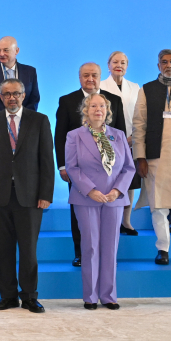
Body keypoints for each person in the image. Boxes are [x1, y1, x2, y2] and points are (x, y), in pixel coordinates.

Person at [0, 78, 55, 314]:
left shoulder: (39, 120)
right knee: (3, 250)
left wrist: (46, 194)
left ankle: (30, 297)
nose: (11, 98)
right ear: (1, 98)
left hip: (31, 196)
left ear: (24, 95)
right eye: (6, 94)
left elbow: (46, 160)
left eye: (16, 93)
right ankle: (8, 296)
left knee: (28, 250)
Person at [65, 93, 137, 310]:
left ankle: (109, 295)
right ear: (85, 110)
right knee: (90, 247)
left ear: (108, 111)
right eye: (94, 105)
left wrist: (117, 191)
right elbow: (72, 167)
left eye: (102, 106)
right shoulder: (74, 136)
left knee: (110, 248)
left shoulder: (119, 135)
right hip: (86, 199)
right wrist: (91, 190)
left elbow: (128, 168)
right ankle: (90, 296)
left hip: (113, 199)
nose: (98, 109)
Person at [54, 63, 126, 267]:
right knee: (79, 215)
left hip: (111, 172)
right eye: (86, 75)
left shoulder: (115, 101)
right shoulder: (67, 101)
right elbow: (60, 136)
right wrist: (62, 166)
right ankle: (81, 253)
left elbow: (120, 135)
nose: (90, 79)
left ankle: (107, 255)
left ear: (100, 76)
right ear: (79, 78)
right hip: (78, 171)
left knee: (109, 215)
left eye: (94, 75)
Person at [132, 50, 171, 265]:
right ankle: (162, 248)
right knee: (159, 206)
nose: (169, 65)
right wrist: (140, 157)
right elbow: (138, 124)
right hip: (155, 156)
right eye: (164, 62)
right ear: (158, 66)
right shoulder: (147, 89)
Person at [99, 51, 142, 236]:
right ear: (108, 65)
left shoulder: (135, 87)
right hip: (106, 141)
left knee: (129, 181)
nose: (119, 65)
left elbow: (140, 115)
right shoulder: (100, 87)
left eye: (123, 62)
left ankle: (126, 221)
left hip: (131, 140)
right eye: (115, 62)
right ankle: (109, 221)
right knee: (108, 180)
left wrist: (133, 138)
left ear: (127, 66)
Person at [0, 36, 40, 115]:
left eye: (5, 50)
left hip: (25, 122)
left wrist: (21, 118)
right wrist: (5, 119)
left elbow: (34, 99)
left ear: (16, 51)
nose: (1, 54)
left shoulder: (30, 71)